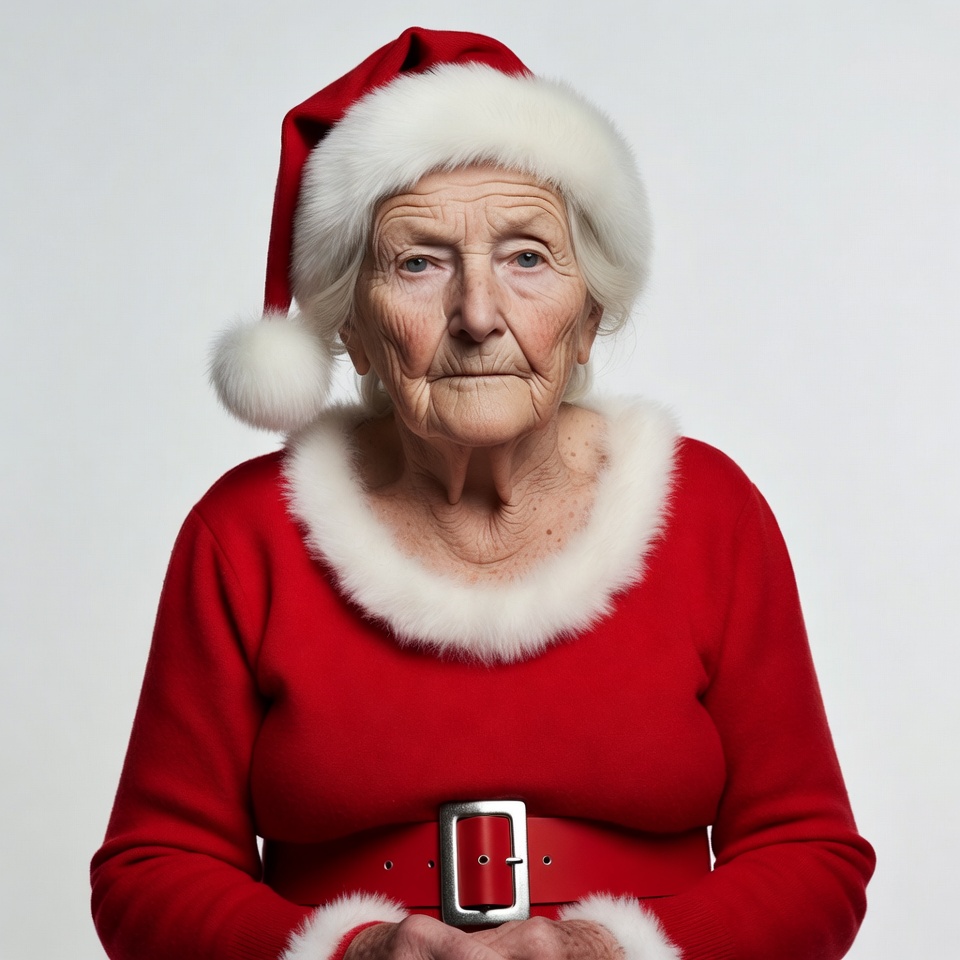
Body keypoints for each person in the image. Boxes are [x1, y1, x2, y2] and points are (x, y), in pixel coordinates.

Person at [91, 27, 875, 960]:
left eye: (527, 258)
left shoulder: (709, 511)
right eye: (418, 262)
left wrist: (606, 953)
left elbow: (812, 858)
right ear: (353, 329)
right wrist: (356, 955)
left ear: (589, 316)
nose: (476, 315)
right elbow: (149, 873)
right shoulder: (247, 531)